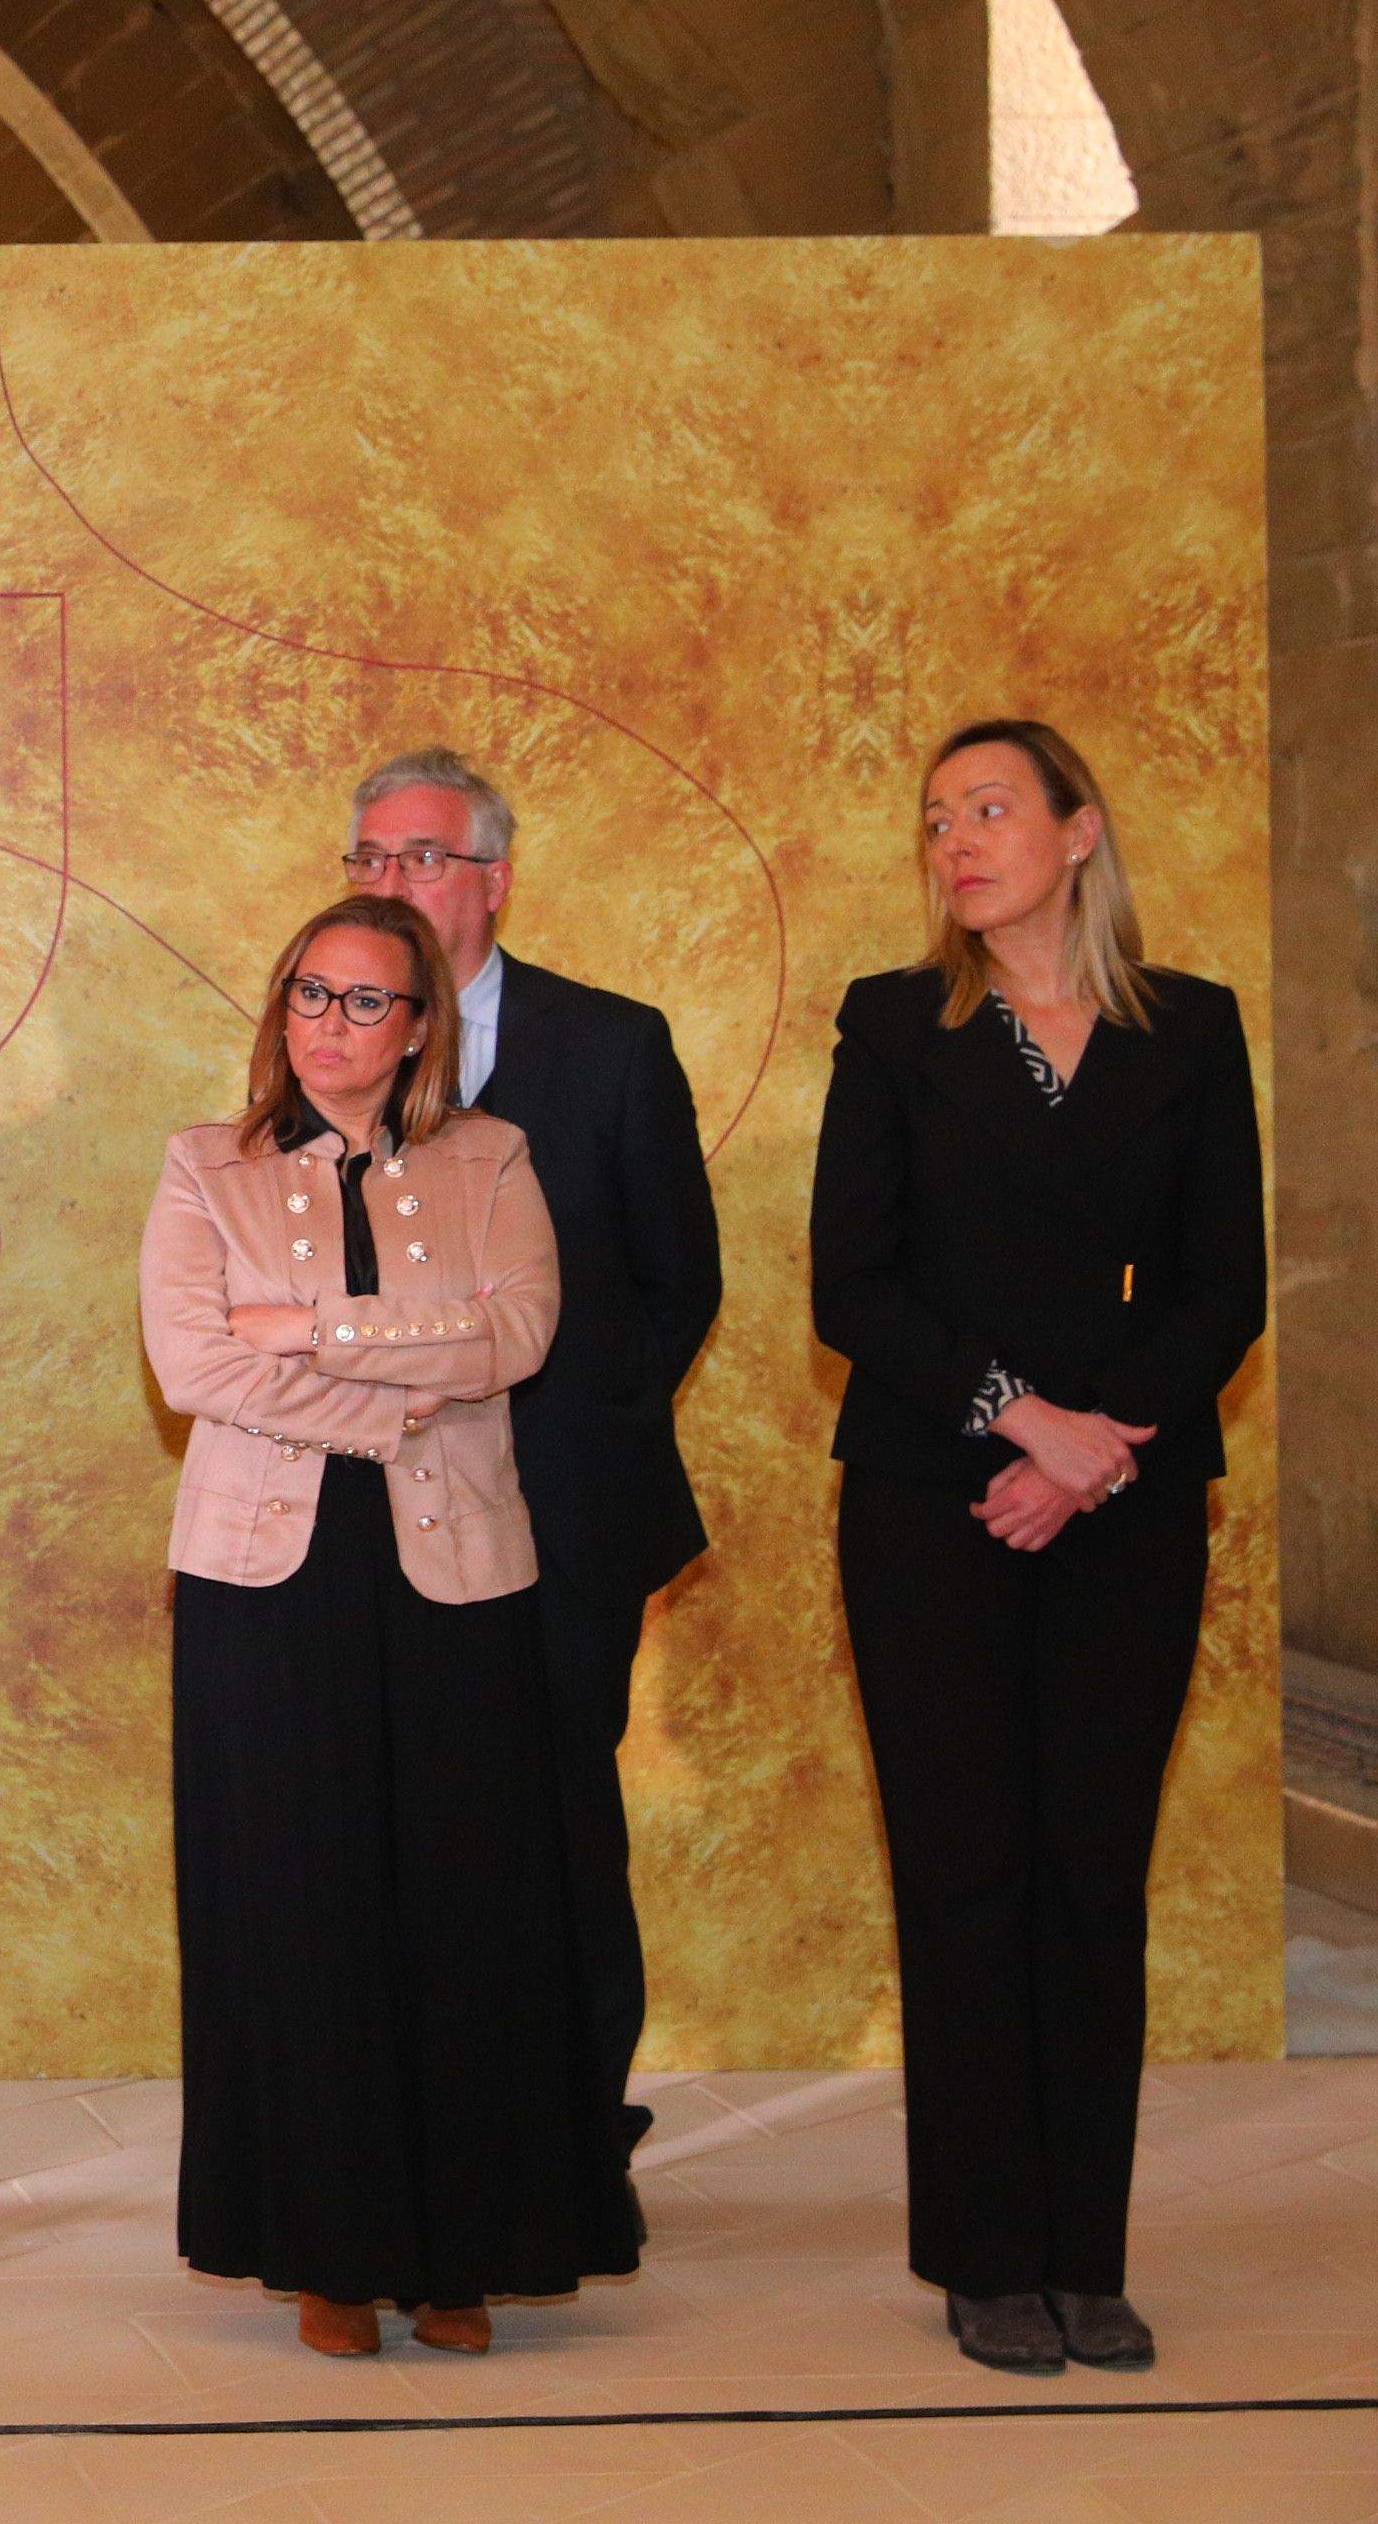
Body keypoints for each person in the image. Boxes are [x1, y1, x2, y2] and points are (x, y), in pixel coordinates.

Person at [810, 720, 1263, 2378]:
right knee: (965, 1872)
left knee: (1094, 1878)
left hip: (1125, 1506)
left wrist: (1088, 1455)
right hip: (934, 1501)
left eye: (991, 810)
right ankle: (988, 2258)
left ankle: (1092, 2255)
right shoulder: (896, 1024)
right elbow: (852, 1290)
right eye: (937, 821)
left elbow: (1226, 1289)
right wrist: (1019, 1422)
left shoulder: (1191, 1030)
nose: (958, 843)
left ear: (1081, 830)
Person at [141, 894, 632, 2358]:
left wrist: (313, 1329)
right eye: (308, 993)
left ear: (419, 1025)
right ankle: (326, 2253)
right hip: (264, 1584)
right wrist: (402, 1375)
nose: (329, 1025)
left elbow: (523, 1331)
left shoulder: (495, 1158)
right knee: (296, 1909)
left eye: (365, 1002)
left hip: (458, 1581)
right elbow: (193, 1366)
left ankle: (460, 2251)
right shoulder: (202, 1165)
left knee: (465, 1910)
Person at [342, 749, 721, 2177]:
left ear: (495, 880)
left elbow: (676, 1281)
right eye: (369, 859)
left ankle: (573, 2132)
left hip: (566, 1509)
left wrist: (563, 1432)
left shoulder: (613, 1045)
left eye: (424, 858)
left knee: (559, 1820)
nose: (392, 886)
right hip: (373, 1513)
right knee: (397, 1822)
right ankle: (412, 2126)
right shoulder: (328, 1046)